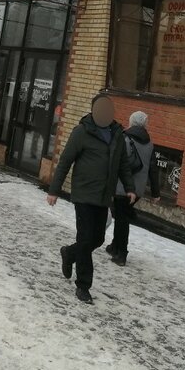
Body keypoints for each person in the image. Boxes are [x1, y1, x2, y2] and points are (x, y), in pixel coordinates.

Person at [47, 94, 136, 304]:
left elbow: (123, 164)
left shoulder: (117, 134)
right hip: (84, 194)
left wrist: (130, 187)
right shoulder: (81, 132)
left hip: (104, 196)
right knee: (86, 238)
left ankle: (69, 253)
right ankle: (83, 286)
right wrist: (54, 190)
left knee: (98, 239)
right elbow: (65, 161)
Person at [106, 111, 161, 266]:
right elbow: (153, 169)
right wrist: (155, 193)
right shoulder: (149, 144)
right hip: (138, 191)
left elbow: (113, 162)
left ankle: (121, 253)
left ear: (131, 122)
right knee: (122, 216)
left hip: (122, 187)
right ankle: (114, 246)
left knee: (122, 220)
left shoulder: (123, 138)